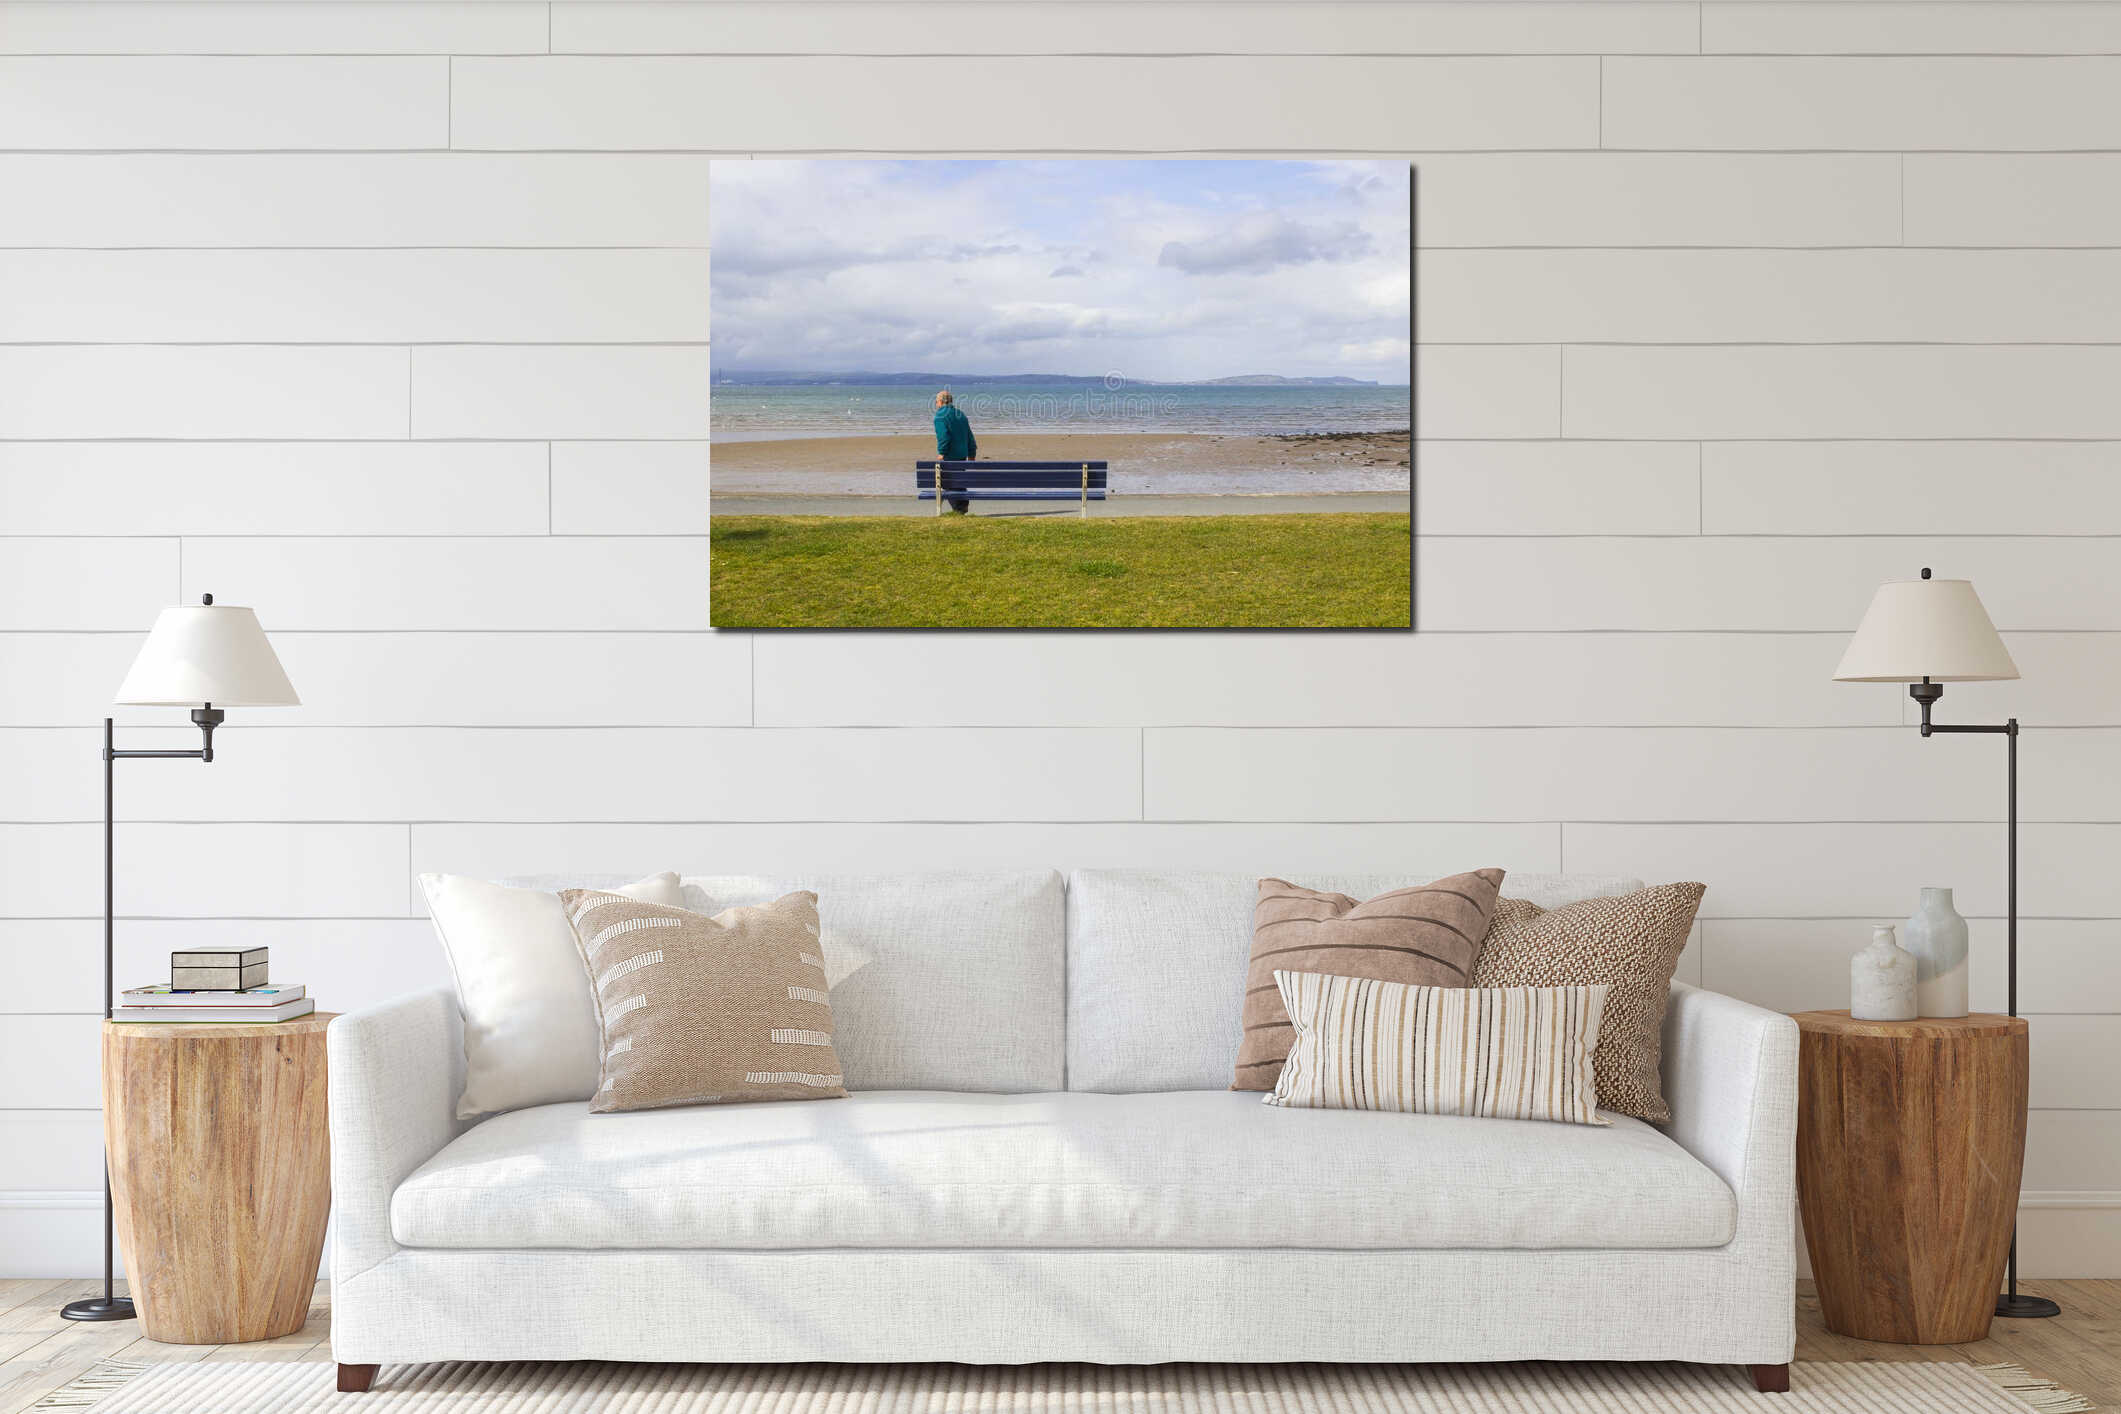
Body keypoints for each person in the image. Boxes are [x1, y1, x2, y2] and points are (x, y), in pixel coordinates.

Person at [933, 390, 977, 514]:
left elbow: (944, 437)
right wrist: (972, 453)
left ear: (940, 402)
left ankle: (958, 509)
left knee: (947, 482)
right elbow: (969, 436)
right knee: (959, 481)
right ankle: (962, 506)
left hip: (950, 456)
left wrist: (942, 452)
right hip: (962, 455)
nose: (936, 404)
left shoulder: (940, 416)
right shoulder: (960, 414)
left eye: (936, 402)